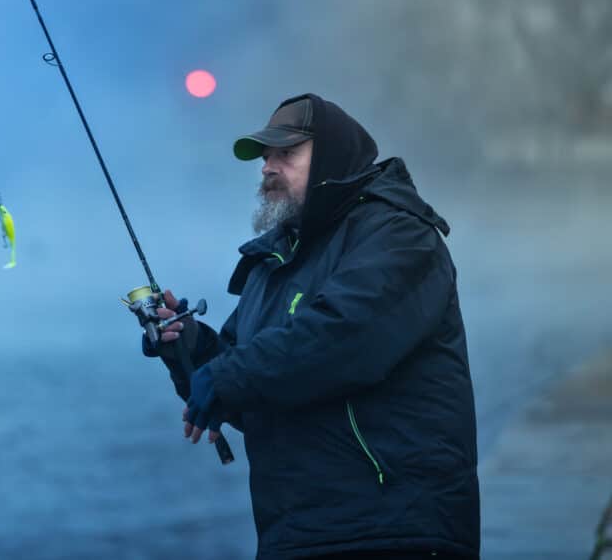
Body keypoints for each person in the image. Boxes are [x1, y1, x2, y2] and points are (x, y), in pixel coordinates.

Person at [145, 94, 479, 559]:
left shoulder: (399, 235)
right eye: (265, 157)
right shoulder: (272, 264)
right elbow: (253, 391)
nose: (268, 167)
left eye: (287, 153)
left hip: (395, 531)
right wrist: (193, 349)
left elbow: (344, 340)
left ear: (332, 158)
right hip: (295, 534)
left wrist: (227, 376)